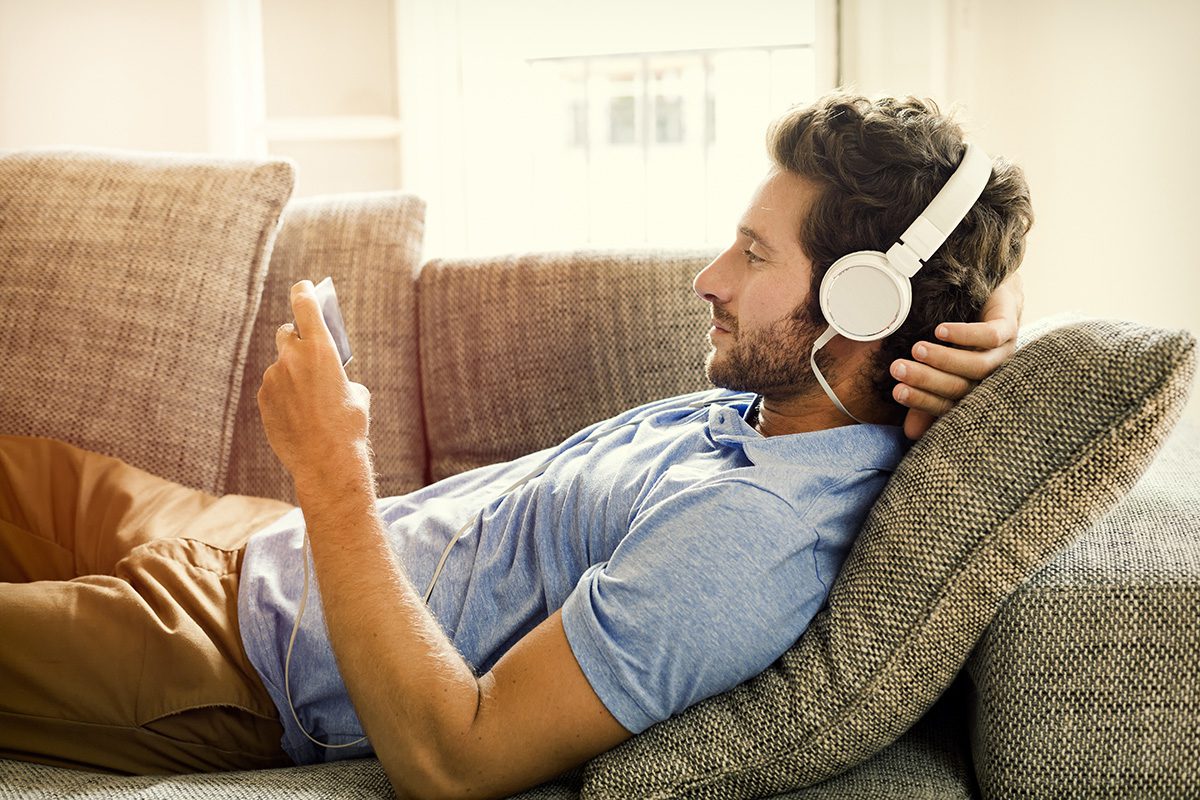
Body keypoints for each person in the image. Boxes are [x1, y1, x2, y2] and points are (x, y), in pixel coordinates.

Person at [0, 93, 1032, 798]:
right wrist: (999, 308)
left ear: (863, 300)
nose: (709, 276)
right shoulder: (786, 400)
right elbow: (976, 242)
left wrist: (330, 466)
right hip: (253, 539)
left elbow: (455, 757)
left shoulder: (750, 539)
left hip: (238, 659)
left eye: (755, 253)